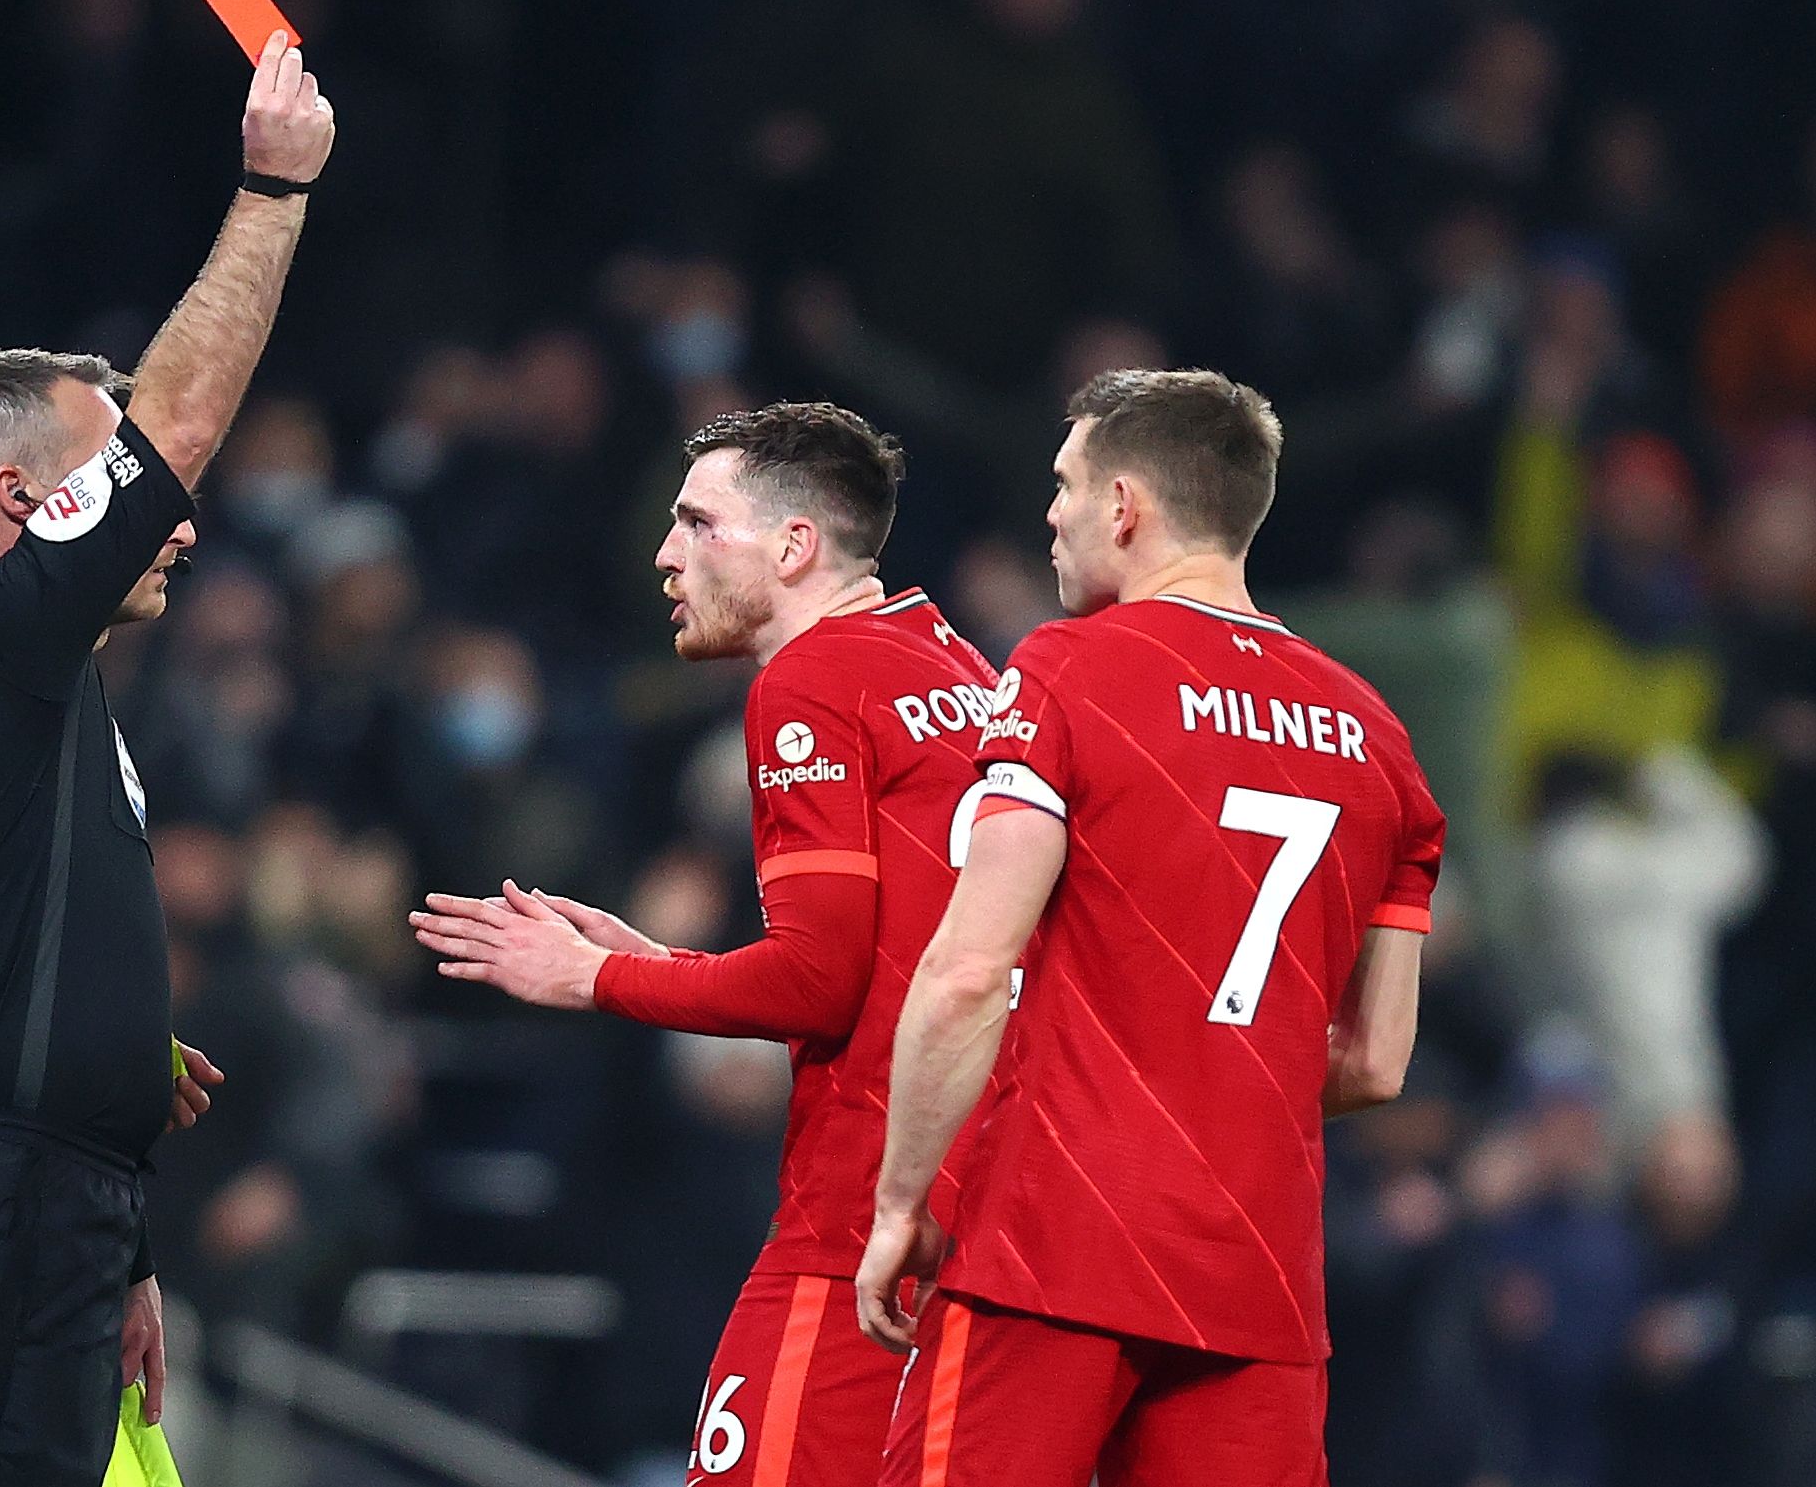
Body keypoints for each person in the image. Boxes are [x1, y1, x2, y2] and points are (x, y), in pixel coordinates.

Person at [0, 33, 334, 1487]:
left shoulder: (12, 694)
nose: (175, 526)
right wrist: (274, 190)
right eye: (116, 487)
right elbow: (179, 426)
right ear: (20, 497)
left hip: (45, 1209)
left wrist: (93, 1073)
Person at [857, 369, 1446, 1487]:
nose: (1051, 515)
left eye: (1065, 485)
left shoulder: (1068, 668)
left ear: (1124, 506)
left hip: (1055, 1240)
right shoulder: (1378, 739)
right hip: (1257, 1278)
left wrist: (898, 1202)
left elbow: (969, 970)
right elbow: (1376, 1060)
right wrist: (1212, 1085)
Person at [412, 402, 1003, 1487]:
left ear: (793, 546)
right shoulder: (958, 668)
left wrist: (601, 978)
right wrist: (666, 964)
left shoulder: (811, 680)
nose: (664, 552)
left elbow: (820, 981)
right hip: (989, 1200)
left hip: (864, 1207)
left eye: (696, 523)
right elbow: (882, 958)